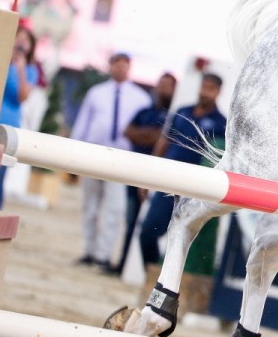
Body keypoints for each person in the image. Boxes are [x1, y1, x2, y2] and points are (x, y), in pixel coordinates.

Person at [70, 52, 151, 272]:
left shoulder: (140, 98)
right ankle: (89, 251)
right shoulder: (96, 93)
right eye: (117, 65)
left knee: (114, 209)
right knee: (90, 206)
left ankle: (103, 256)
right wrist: (74, 155)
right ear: (111, 66)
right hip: (93, 153)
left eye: (124, 65)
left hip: (122, 158)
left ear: (129, 68)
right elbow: (83, 122)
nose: (120, 69)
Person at [138, 73, 227, 267]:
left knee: (181, 240)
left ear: (218, 92)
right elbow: (164, 141)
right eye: (204, 87)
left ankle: (166, 277)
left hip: (194, 189)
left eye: (210, 89)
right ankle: (151, 272)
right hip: (168, 183)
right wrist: (147, 175)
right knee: (147, 232)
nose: (205, 92)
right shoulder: (182, 111)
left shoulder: (221, 124)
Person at [116, 71, 176, 273]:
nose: (163, 89)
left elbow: (160, 138)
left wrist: (143, 135)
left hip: (156, 175)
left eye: (168, 85)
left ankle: (143, 268)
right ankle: (123, 263)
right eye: (161, 84)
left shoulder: (173, 116)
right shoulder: (144, 111)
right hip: (135, 171)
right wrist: (149, 136)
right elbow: (127, 131)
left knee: (146, 223)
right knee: (130, 220)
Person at [0, 26, 43, 209]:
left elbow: (22, 96)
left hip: (8, 127)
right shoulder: (0, 60)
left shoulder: (31, 70)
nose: (21, 42)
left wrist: (20, 70)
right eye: (18, 37)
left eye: (26, 40)